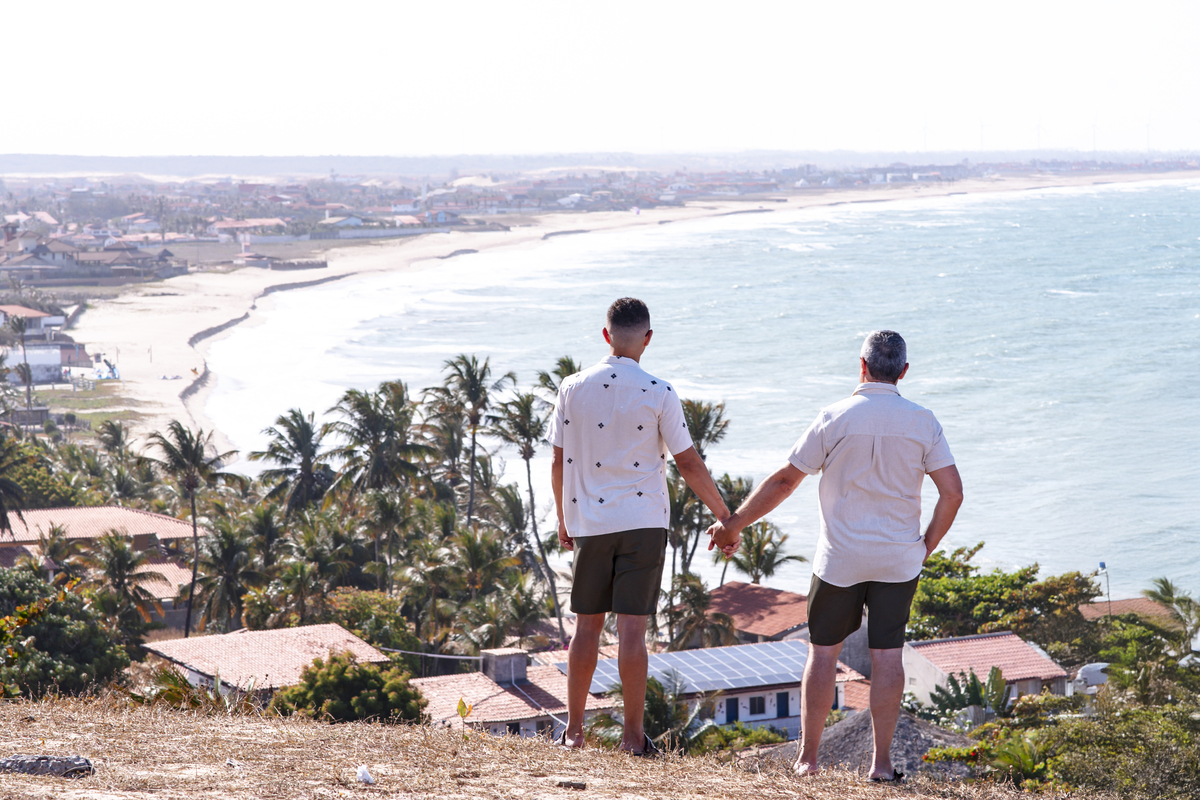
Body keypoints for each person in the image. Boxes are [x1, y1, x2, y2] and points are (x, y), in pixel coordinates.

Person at [707, 330, 963, 782]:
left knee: (823, 655)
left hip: (840, 560)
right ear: (903, 372)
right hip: (898, 561)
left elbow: (786, 480)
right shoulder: (924, 422)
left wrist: (734, 525)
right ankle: (881, 766)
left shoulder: (833, 417)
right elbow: (953, 494)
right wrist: (924, 548)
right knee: (888, 657)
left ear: (861, 366)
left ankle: (808, 760)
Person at [551, 297, 730, 754]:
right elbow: (688, 462)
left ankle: (573, 733)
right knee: (633, 631)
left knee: (585, 628)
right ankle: (633, 738)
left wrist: (562, 517)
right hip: (644, 524)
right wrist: (725, 517)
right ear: (647, 338)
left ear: (605, 333)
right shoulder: (659, 391)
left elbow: (557, 458)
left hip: (590, 521)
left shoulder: (571, 387)